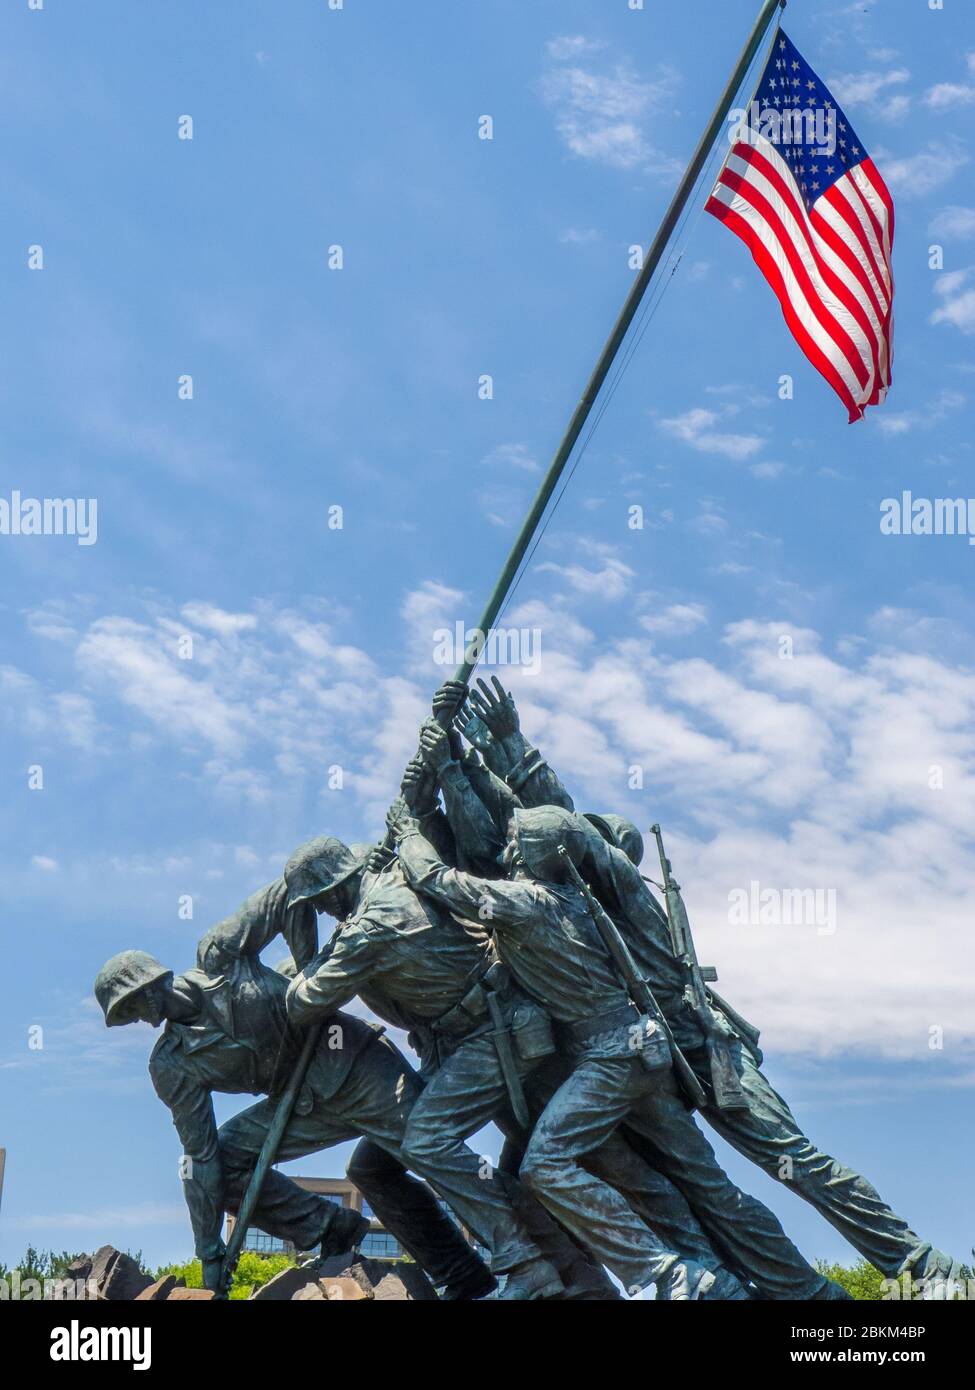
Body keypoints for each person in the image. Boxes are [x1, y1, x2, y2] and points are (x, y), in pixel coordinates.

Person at [388, 799, 844, 1300]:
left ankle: (670, 1272)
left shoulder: (527, 903)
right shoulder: (578, 900)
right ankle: (756, 1286)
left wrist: (408, 831)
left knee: (544, 1165)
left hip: (609, 1056)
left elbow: (438, 880)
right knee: (702, 1185)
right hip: (641, 1052)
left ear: (531, 853)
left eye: (517, 839)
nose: (507, 845)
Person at [93, 876, 492, 1298]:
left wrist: (308, 978)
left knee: (430, 1151)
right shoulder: (171, 1065)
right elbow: (201, 1155)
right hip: (302, 1102)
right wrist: (209, 1251)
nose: (134, 1016)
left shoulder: (220, 955)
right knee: (226, 1161)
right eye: (124, 1013)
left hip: (353, 1065)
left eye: (130, 1003)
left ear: (150, 981)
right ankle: (331, 1227)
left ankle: (519, 1249)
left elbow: (289, 895)